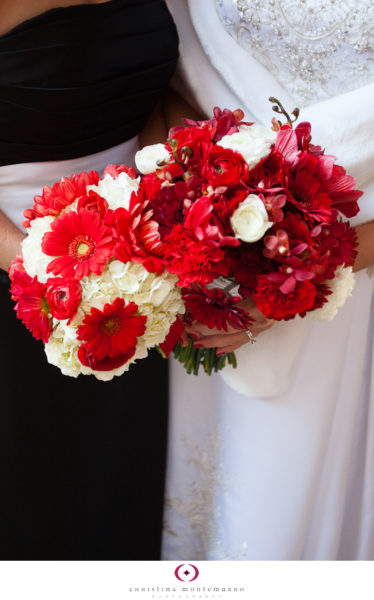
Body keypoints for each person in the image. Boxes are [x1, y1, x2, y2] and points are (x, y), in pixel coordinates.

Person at [162, 0, 374, 560]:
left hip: (354, 277)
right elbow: (165, 67)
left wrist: (303, 271)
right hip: (209, 253)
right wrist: (190, 203)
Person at [0, 0, 180, 560]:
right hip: (25, 278)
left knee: (109, 501)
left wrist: (152, 196)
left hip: (130, 268)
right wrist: (45, 271)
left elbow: (154, 88)